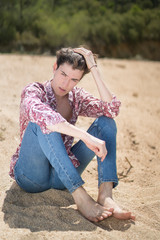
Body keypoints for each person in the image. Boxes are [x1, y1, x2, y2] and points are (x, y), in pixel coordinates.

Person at [10, 47, 135, 223]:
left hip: (61, 178)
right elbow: (47, 118)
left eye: (73, 79)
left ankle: (106, 195)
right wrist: (85, 136)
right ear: (55, 67)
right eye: (63, 74)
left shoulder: (76, 98)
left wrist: (93, 68)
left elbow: (111, 109)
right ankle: (80, 196)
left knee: (106, 122)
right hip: (31, 177)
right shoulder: (34, 91)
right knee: (44, 123)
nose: (65, 83)